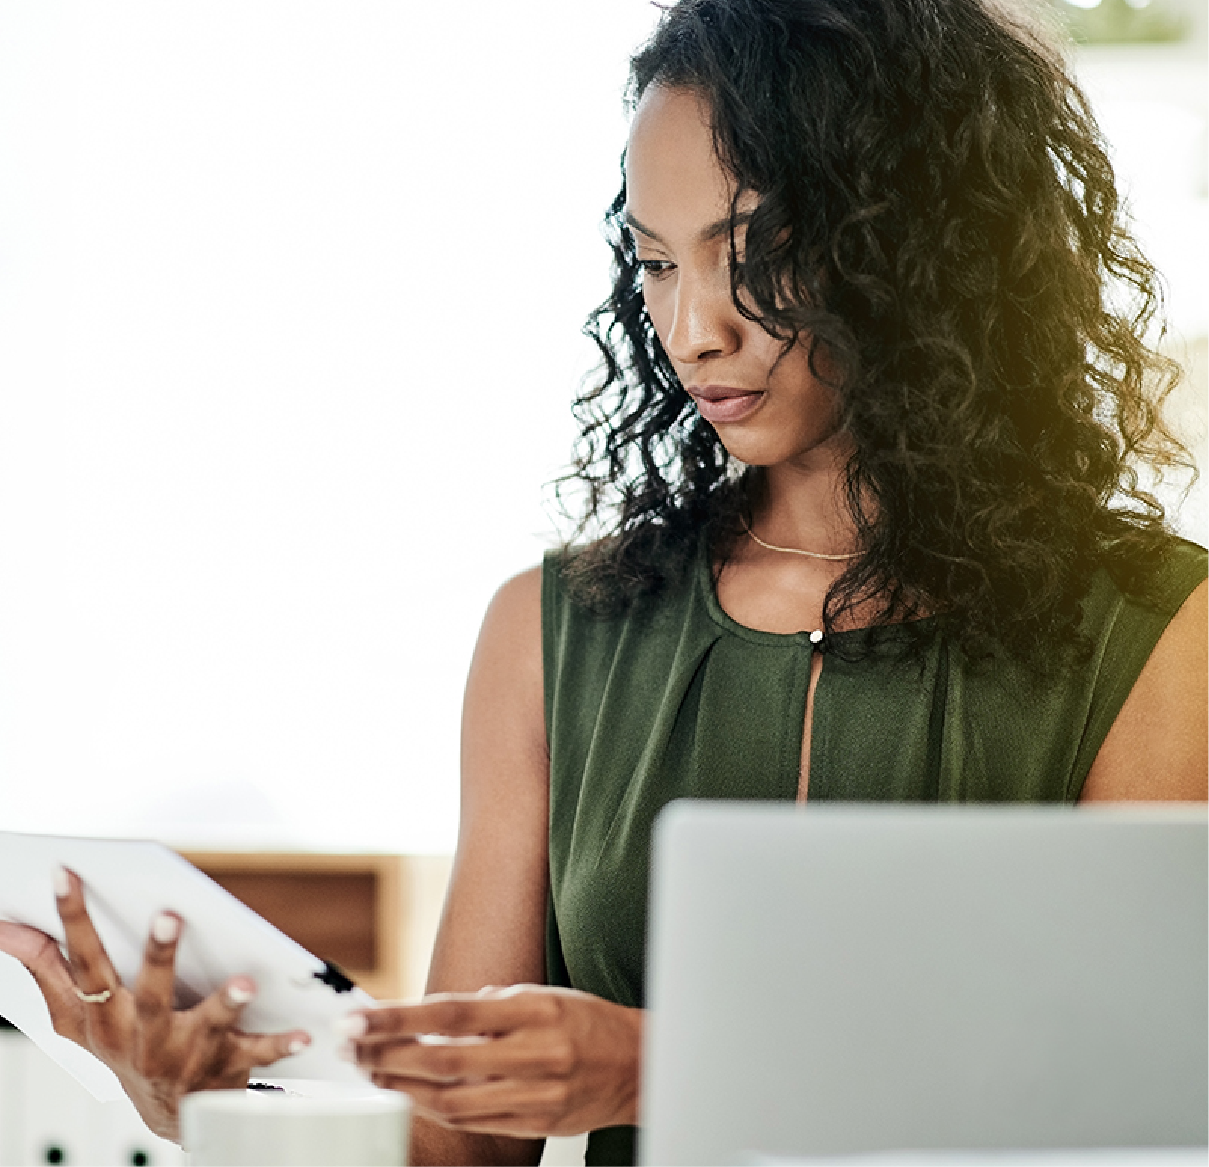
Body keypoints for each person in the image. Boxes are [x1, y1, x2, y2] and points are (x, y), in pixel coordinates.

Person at [1, 0, 1206, 1164]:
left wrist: (660, 1067)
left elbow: (1135, 1088)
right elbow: (459, 1149)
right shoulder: (552, 630)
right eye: (653, 263)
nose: (693, 330)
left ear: (926, 247)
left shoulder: (1161, 636)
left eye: (758, 256)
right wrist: (204, 1101)